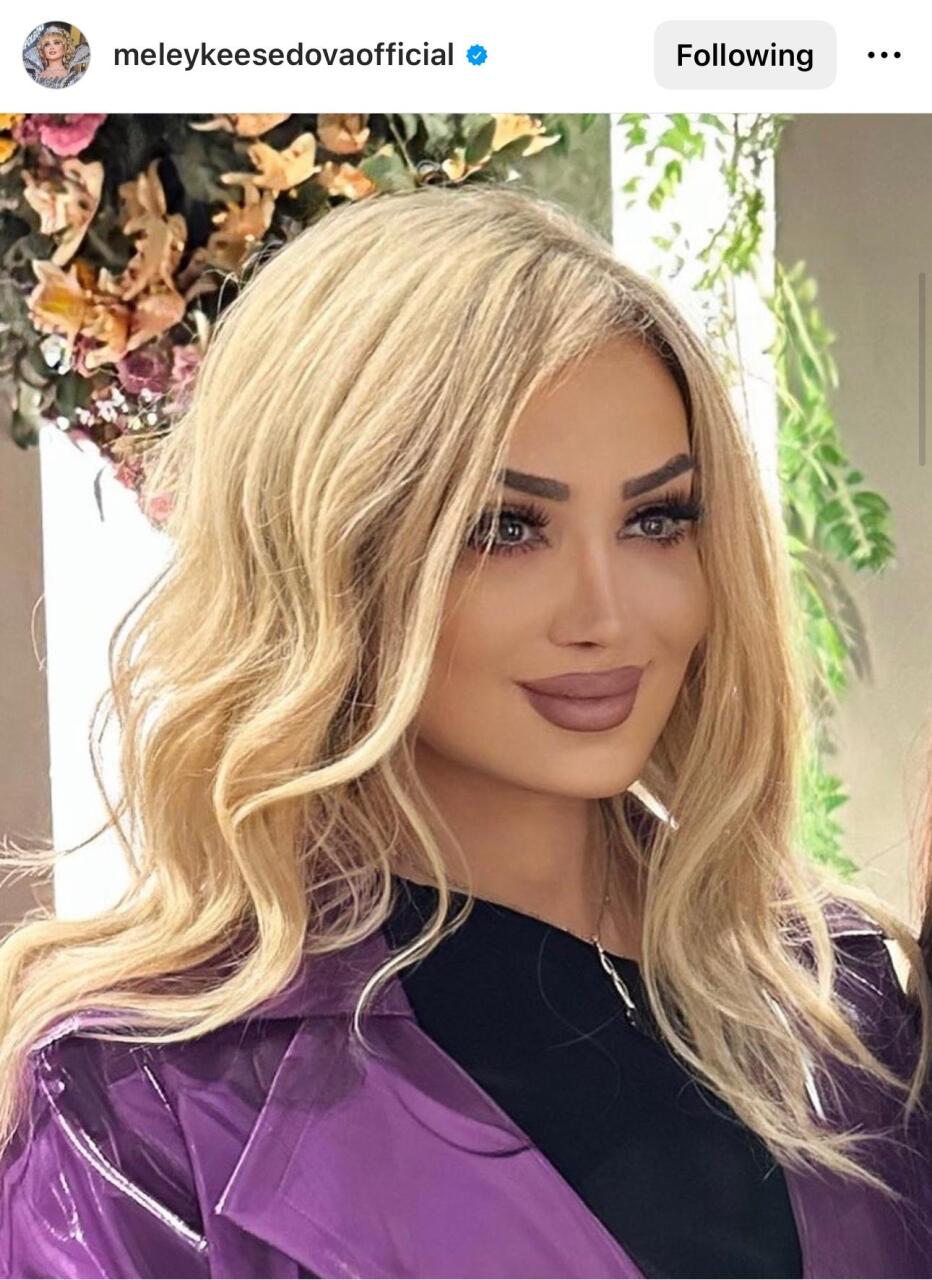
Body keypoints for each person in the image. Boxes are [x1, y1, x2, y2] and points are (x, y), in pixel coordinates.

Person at [0, 184, 929, 1279]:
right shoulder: (142, 1105)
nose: (607, 615)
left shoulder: (840, 999)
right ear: (330, 557)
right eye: (504, 528)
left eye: (655, 518)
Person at [23, 23, 90, 88]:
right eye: (47, 44)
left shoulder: (76, 77)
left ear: (65, 48)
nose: (51, 47)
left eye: (56, 43)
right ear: (43, 50)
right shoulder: (34, 77)